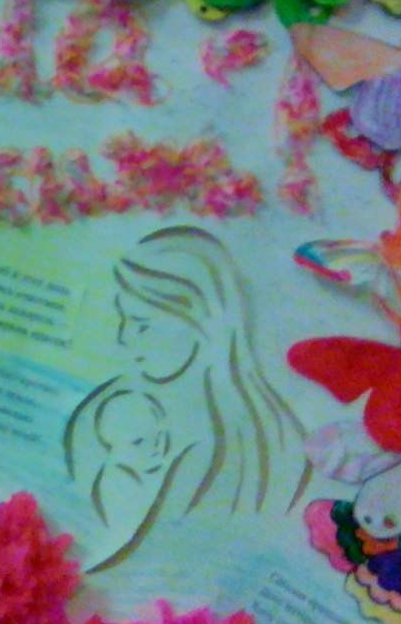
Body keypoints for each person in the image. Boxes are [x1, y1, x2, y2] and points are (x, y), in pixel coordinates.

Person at [64, 225, 310, 563]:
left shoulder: (266, 439)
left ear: (200, 321)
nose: (124, 338)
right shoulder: (109, 408)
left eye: (142, 323)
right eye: (123, 318)